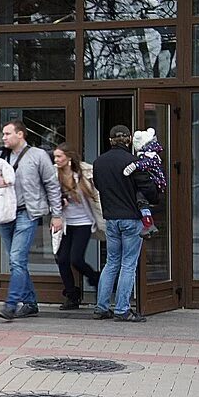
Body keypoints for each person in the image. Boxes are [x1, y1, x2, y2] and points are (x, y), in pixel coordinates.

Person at [0, 120, 63, 321]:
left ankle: (11, 304)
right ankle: (30, 303)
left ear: (20, 134)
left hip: (27, 213)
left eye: (7, 134)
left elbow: (52, 185)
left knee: (16, 259)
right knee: (17, 262)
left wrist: (57, 214)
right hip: (5, 214)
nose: (3, 137)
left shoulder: (38, 156)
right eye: (3, 134)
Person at [91, 125, 163, 323]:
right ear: (129, 140)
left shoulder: (99, 163)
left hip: (111, 218)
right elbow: (149, 189)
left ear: (110, 140)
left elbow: (98, 185)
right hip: (131, 217)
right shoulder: (134, 162)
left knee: (111, 262)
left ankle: (101, 307)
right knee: (128, 264)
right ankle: (122, 309)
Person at [52, 145, 103, 310]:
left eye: (59, 157)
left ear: (68, 158)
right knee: (62, 258)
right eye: (55, 157)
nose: (56, 160)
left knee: (76, 258)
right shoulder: (54, 175)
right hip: (66, 224)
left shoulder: (83, 174)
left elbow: (95, 195)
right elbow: (49, 197)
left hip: (84, 223)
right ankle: (72, 295)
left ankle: (95, 278)